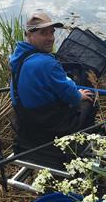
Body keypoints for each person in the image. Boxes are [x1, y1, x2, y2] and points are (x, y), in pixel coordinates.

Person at [9, 11, 96, 156]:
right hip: (49, 127)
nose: (50, 38)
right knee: (89, 101)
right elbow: (72, 97)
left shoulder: (18, 56)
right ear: (29, 34)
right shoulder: (47, 63)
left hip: (25, 123)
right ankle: (79, 149)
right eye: (43, 33)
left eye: (52, 32)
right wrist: (79, 95)